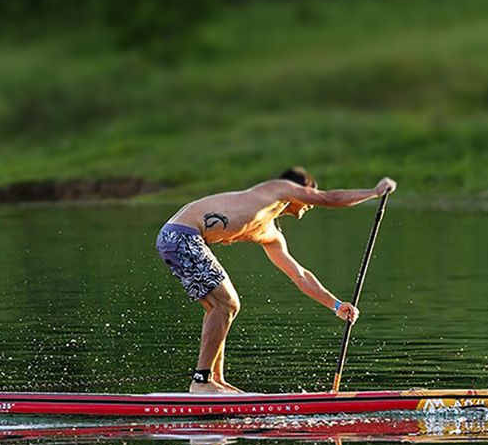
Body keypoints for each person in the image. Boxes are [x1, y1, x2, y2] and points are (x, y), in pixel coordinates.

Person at [155, 167, 397, 394]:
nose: (311, 202)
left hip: (182, 240)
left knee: (218, 306)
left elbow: (299, 275)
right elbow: (330, 199)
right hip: (181, 235)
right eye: (309, 193)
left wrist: (336, 305)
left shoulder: (269, 233)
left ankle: (215, 380)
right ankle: (201, 382)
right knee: (227, 304)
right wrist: (374, 193)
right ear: (299, 190)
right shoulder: (278, 189)